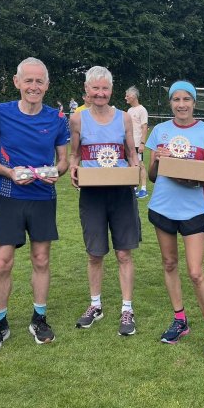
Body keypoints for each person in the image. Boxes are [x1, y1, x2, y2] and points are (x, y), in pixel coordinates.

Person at [0, 57, 70, 353]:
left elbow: (64, 159)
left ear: (47, 85)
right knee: (2, 262)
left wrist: (57, 171)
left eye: (39, 81)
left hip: (43, 197)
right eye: (28, 80)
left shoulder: (57, 119)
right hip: (9, 196)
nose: (33, 86)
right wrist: (8, 172)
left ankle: (39, 318)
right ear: (17, 82)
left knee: (41, 259)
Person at [146, 80, 204, 357]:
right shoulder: (159, 131)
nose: (181, 104)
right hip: (163, 207)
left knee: (195, 271)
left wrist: (188, 175)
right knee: (169, 263)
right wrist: (159, 159)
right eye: (176, 99)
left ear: (194, 102)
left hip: (193, 210)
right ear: (170, 103)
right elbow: (152, 176)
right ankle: (180, 320)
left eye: (186, 99)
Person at [69, 66, 141, 336]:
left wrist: (137, 172)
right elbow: (74, 154)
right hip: (92, 194)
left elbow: (131, 153)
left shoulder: (123, 118)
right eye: (95, 88)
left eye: (105, 88)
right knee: (95, 253)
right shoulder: (77, 120)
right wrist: (74, 169)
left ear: (111, 90)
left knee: (124, 252)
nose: (100, 93)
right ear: (87, 90)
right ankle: (95, 305)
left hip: (121, 193)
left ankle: (127, 308)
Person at [125, 85, 149, 199]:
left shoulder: (142, 110)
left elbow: (144, 127)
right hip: (129, 143)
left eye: (128, 95)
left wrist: (142, 143)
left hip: (137, 143)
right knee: (130, 165)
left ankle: (144, 189)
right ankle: (134, 187)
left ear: (134, 96)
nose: (126, 97)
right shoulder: (129, 110)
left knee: (140, 164)